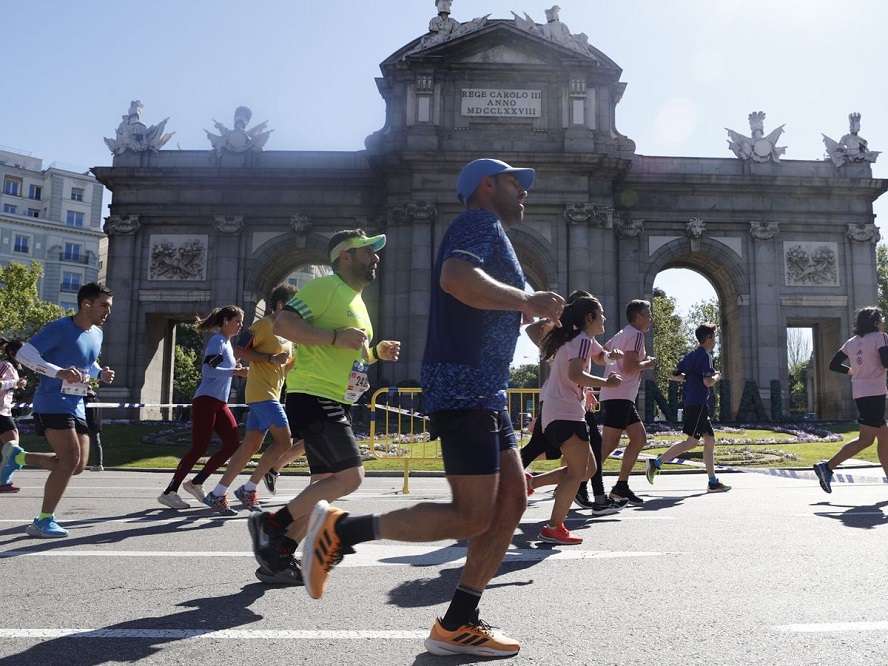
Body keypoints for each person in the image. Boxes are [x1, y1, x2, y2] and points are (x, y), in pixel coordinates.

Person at [255, 158, 565, 657]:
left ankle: (458, 622)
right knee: (470, 516)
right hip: (464, 383)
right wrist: (527, 304)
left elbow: (501, 301)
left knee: (509, 505)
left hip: (489, 389)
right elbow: (456, 279)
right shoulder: (476, 223)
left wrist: (536, 320)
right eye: (515, 182)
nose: (525, 191)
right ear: (487, 186)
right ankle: (339, 531)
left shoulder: (498, 238)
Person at [246, 228, 400, 586]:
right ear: (344, 256)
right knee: (350, 478)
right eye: (367, 251)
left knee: (323, 488)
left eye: (375, 252)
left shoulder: (356, 301)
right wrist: (335, 336)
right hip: (314, 395)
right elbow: (284, 323)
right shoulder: (325, 286)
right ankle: (269, 525)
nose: (375, 257)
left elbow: (351, 357)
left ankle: (276, 559)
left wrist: (376, 354)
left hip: (334, 397)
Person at [2, 283, 115, 537]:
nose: (107, 311)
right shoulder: (60, 328)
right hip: (52, 401)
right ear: (86, 304)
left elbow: (86, 360)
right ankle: (43, 520)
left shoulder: (97, 333)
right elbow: (24, 354)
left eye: (109, 306)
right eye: (103, 305)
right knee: (69, 459)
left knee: (76, 465)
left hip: (77, 403)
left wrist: (100, 373)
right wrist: (57, 372)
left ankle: (18, 458)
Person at [529, 294, 622, 544]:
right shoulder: (581, 340)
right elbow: (575, 373)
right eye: (601, 314)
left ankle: (532, 482)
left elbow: (600, 356)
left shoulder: (581, 340)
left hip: (558, 411)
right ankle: (553, 527)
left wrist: (611, 357)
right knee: (578, 471)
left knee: (587, 469)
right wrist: (607, 384)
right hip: (565, 412)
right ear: (589, 318)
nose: (605, 318)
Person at [202, 285, 296, 516]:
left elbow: (285, 366)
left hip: (272, 392)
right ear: (281, 305)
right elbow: (240, 350)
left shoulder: (290, 334)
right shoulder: (262, 326)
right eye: (296, 303)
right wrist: (270, 358)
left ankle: (217, 493)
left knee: (250, 447)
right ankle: (249, 487)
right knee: (285, 442)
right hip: (260, 393)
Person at [157, 306, 248, 512]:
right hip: (206, 400)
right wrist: (235, 371)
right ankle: (169, 492)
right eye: (238, 321)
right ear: (226, 321)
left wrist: (235, 368)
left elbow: (219, 368)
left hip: (219, 403)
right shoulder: (217, 341)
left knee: (233, 443)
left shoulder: (226, 344)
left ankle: (196, 482)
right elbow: (207, 370)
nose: (241, 325)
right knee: (199, 447)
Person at [644, 323, 731, 492]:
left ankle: (713, 481)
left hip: (693, 402)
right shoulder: (706, 357)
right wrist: (718, 376)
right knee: (691, 443)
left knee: (710, 440)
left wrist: (690, 379)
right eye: (714, 337)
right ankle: (655, 464)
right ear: (708, 338)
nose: (716, 340)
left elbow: (674, 375)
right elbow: (707, 381)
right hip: (698, 404)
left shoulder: (690, 356)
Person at [814, 306, 888, 493]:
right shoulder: (881, 337)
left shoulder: (851, 342)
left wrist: (853, 371)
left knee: (885, 437)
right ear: (876, 322)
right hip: (875, 393)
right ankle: (827, 467)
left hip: (860, 394)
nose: (883, 321)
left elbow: (833, 364)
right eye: (882, 318)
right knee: (866, 440)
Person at [598, 299, 657, 506]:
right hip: (619, 396)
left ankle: (621, 486)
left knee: (639, 438)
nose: (651, 319)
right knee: (608, 445)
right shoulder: (636, 335)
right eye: (649, 315)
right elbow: (631, 367)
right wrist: (648, 364)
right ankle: (576, 481)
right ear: (638, 317)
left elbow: (603, 351)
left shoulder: (622, 334)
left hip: (620, 396)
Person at [0, 339, 28, 493]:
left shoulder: (12, 367)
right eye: (22, 353)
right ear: (12, 353)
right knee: (12, 448)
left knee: (11, 448)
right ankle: (3, 481)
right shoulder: (5, 365)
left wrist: (17, 385)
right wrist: (14, 382)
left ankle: (3, 481)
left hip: (4, 411)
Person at [85, 386, 104, 471]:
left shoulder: (85, 400)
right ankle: (99, 463)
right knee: (97, 444)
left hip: (87, 423)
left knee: (81, 443)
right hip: (96, 424)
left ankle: (78, 462)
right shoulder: (97, 400)